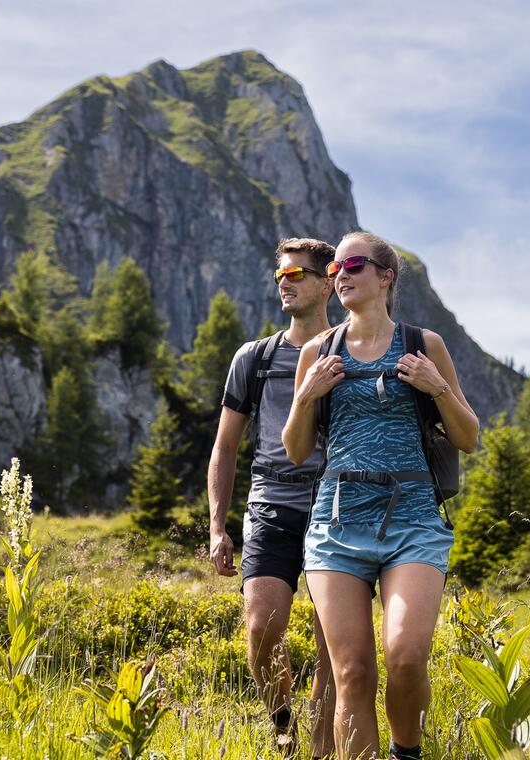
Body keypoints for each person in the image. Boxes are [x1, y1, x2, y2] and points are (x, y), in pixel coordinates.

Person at [281, 232, 479, 760]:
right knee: (351, 672)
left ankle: (405, 752)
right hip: (337, 523)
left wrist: (436, 387)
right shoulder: (316, 353)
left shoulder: (422, 344)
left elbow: (469, 437)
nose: (339, 274)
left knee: (407, 656)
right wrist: (305, 396)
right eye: (336, 268)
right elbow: (296, 450)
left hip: (412, 519)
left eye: (353, 264)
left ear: (385, 277)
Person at [209, 237, 340, 756]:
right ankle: (283, 729)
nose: (285, 283)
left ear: (327, 280)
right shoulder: (255, 357)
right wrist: (218, 526)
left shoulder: (352, 348)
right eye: (280, 275)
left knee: (332, 641)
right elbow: (224, 447)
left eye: (297, 274)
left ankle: (322, 746)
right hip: (271, 505)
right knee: (262, 629)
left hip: (337, 505)